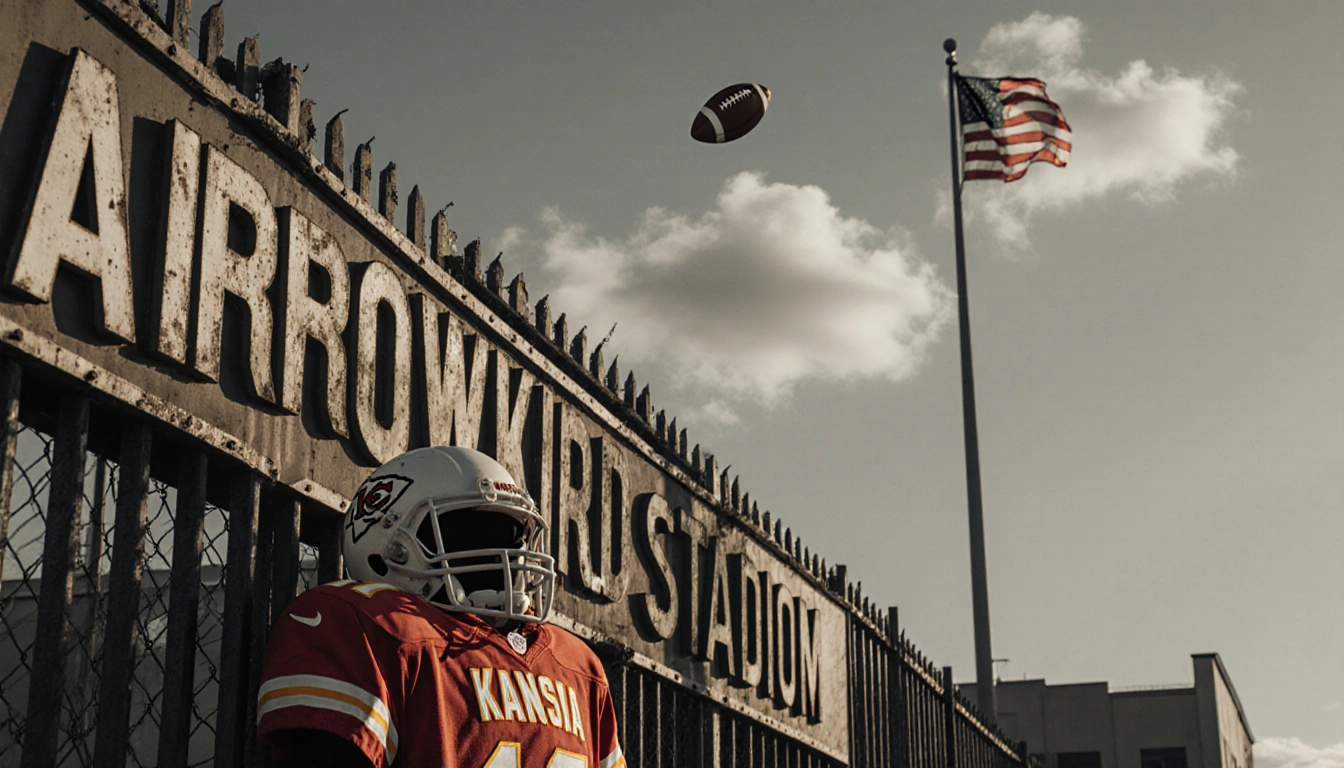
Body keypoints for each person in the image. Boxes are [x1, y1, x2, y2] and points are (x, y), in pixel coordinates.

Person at [256, 446, 626, 768]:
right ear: (388, 543)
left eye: (512, 540)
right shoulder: (578, 669)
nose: (505, 558)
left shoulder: (582, 668)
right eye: (472, 535)